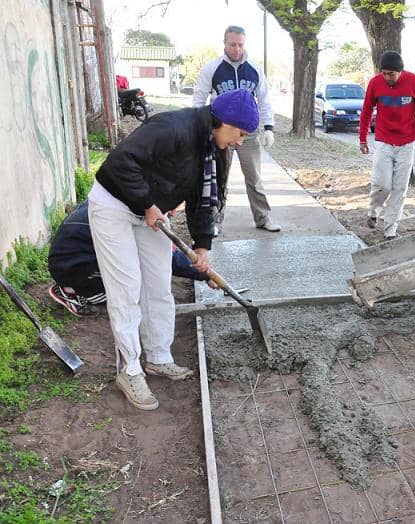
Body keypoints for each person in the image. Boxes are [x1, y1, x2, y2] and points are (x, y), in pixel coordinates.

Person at [88, 88, 259, 411]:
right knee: (126, 287)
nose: (239, 142)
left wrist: (203, 246)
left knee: (157, 284)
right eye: (239, 133)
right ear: (222, 121)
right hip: (114, 205)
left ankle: (158, 356)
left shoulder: (212, 149)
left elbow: (201, 200)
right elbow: (119, 162)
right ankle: (130, 369)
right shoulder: (172, 128)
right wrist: (146, 203)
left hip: (150, 213)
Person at [48, 202, 216, 317]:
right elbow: (165, 257)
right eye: (169, 208)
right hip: (72, 267)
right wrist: (206, 274)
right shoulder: (133, 218)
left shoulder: (120, 202)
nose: (172, 213)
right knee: (135, 282)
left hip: (71, 257)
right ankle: (73, 293)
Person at [192, 25, 280, 234]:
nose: (237, 49)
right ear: (224, 44)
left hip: (248, 134)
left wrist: (269, 127)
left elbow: (265, 99)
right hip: (221, 132)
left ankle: (263, 217)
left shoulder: (255, 69)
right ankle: (216, 220)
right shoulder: (212, 68)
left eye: (240, 44)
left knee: (254, 177)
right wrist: (199, 125)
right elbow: (199, 98)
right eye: (233, 44)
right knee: (219, 177)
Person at [359, 50, 415, 240]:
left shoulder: (414, 82)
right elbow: (366, 111)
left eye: (391, 74)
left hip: (407, 142)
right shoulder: (375, 83)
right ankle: (374, 210)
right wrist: (362, 138)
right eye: (384, 73)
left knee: (400, 188)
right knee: (382, 183)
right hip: (383, 140)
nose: (387, 77)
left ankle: (390, 229)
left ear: (400, 71)